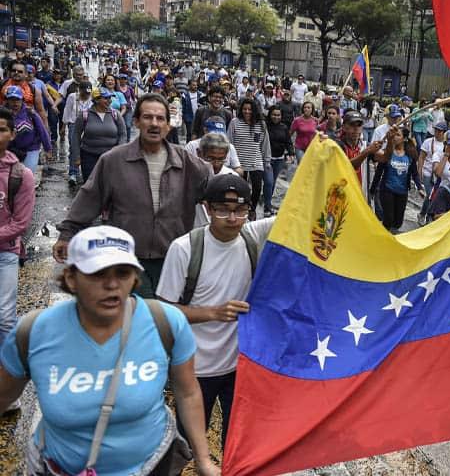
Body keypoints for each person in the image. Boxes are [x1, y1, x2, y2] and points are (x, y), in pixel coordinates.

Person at [0, 225, 219, 475]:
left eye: (123, 273)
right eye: (97, 274)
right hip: (59, 467)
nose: (112, 285)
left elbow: (188, 392)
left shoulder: (166, 322)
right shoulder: (33, 332)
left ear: (135, 278)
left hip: (151, 466)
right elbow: (3, 397)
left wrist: (203, 460)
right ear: (71, 278)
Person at [156, 174, 274, 451]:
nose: (232, 218)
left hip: (240, 367)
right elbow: (163, 312)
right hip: (195, 369)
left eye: (241, 211)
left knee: (236, 443)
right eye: (223, 210)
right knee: (189, 444)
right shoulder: (184, 249)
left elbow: (302, 207)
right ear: (207, 208)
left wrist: (325, 157)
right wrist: (213, 313)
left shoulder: (251, 236)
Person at [54, 93, 213, 299]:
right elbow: (89, 198)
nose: (154, 124)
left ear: (168, 124)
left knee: (168, 319)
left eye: (160, 118)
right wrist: (67, 234)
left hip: (173, 258)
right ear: (136, 122)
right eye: (147, 117)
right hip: (127, 258)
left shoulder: (189, 163)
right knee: (138, 317)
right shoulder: (113, 161)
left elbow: (217, 194)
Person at [0, 107, 34, 356]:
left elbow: (21, 223)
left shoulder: (20, 174)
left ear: (12, 134)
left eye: (1, 129)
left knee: (4, 317)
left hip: (6, 254)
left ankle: (8, 375)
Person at [372, 127, 424, 233]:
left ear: (404, 139)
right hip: (387, 190)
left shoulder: (410, 154)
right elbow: (379, 172)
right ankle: (385, 239)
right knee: (388, 219)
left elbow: (414, 173)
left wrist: (419, 188)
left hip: (402, 191)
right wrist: (373, 189)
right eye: (394, 135)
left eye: (398, 135)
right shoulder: (387, 153)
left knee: (398, 221)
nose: (395, 137)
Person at [71, 87, 126, 182]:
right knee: (90, 184)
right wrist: (76, 157)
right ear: (96, 100)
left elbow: (123, 135)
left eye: (110, 98)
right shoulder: (84, 115)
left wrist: (119, 152)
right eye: (106, 98)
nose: (109, 101)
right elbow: (75, 136)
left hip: (111, 157)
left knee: (110, 185)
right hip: (89, 156)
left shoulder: (116, 114)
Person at [229, 98, 271, 220]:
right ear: (241, 110)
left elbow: (265, 143)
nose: (247, 111)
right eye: (245, 109)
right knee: (240, 188)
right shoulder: (234, 122)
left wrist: (267, 160)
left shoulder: (261, 124)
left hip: (256, 160)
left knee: (257, 187)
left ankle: (252, 209)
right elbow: (229, 141)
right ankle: (241, 207)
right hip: (239, 162)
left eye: (250, 109)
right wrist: (229, 160)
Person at [5, 85, 52, 173]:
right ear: (7, 100)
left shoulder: (30, 113)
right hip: (10, 149)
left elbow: (42, 130)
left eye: (17, 100)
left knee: (27, 173)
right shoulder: (4, 114)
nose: (15, 103)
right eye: (12, 100)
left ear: (22, 100)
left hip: (31, 148)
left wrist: (48, 148)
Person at [418, 122, 447, 225]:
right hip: (428, 172)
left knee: (432, 196)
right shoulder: (428, 142)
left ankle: (424, 214)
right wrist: (420, 170)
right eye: (436, 130)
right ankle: (426, 217)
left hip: (439, 176)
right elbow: (421, 157)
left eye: (440, 131)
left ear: (444, 132)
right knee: (431, 195)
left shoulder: (446, 144)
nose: (437, 133)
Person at [265, 105, 292, 215]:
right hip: (267, 159)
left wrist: (291, 152)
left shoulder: (284, 127)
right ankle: (267, 206)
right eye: (274, 115)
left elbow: (288, 141)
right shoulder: (265, 126)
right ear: (270, 115)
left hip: (279, 159)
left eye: (278, 115)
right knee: (269, 182)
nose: (276, 117)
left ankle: (268, 203)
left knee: (273, 182)